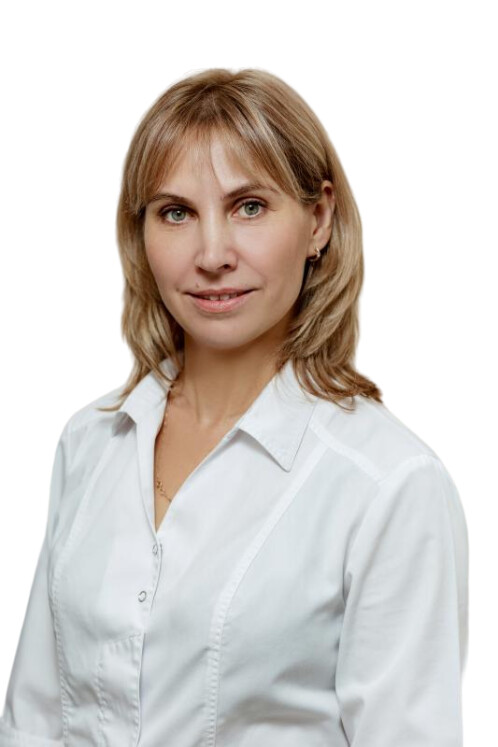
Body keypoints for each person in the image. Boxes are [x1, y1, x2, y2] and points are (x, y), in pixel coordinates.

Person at [0, 68, 468, 746]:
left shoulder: (389, 485)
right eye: (176, 212)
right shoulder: (92, 441)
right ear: (141, 233)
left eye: (249, 206)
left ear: (319, 219)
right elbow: (34, 718)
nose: (212, 255)